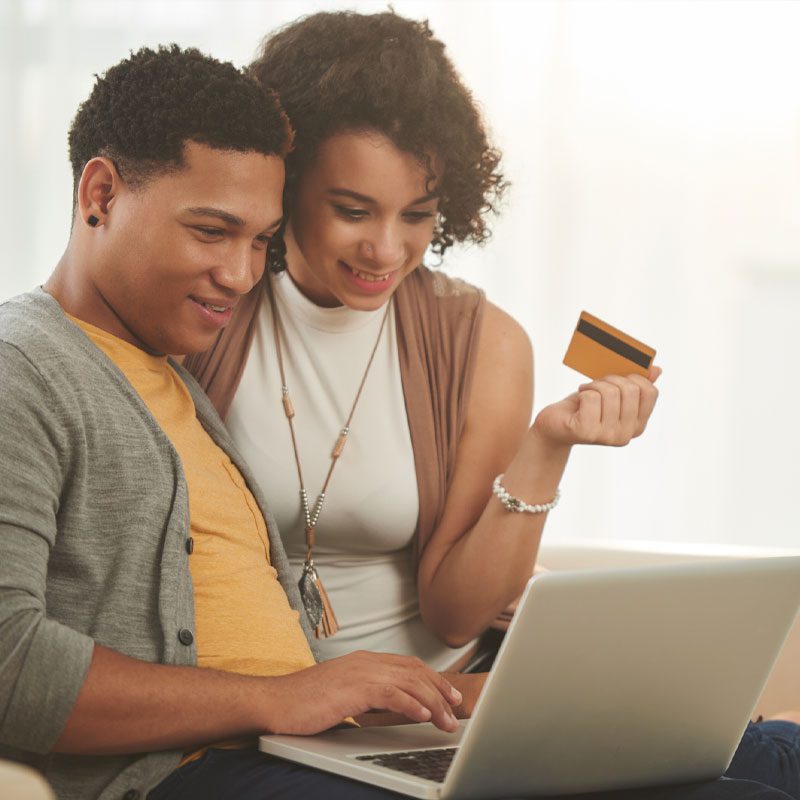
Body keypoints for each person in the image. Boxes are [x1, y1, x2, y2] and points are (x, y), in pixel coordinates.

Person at [0, 37, 791, 800]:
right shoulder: (43, 363)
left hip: (345, 728)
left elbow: (277, 637)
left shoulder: (168, 370)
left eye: (258, 240)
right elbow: (14, 662)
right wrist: (289, 697)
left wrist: (442, 692)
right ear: (99, 194)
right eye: (213, 231)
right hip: (235, 756)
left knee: (778, 758)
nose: (240, 273)